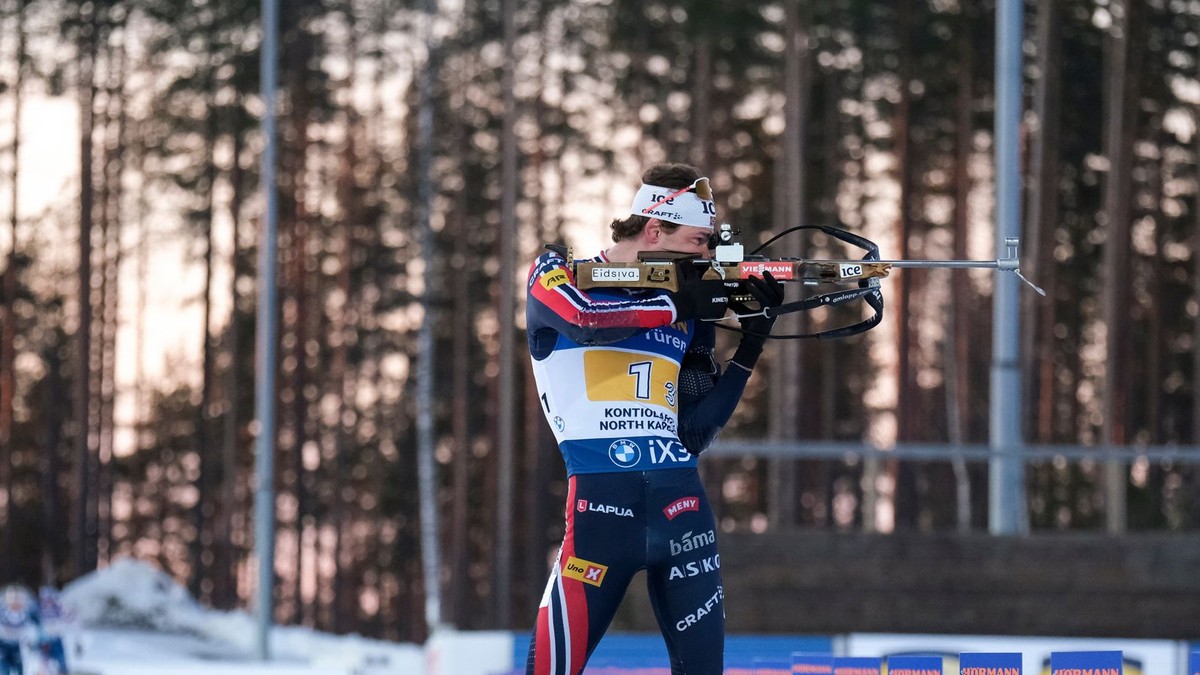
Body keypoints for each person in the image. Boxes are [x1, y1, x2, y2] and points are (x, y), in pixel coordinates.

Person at [523, 162, 783, 675]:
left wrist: (752, 343)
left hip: (683, 508)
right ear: (654, 229)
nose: (705, 257)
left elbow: (695, 432)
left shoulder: (685, 313)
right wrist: (679, 305)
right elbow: (586, 322)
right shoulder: (559, 273)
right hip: (600, 516)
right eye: (696, 242)